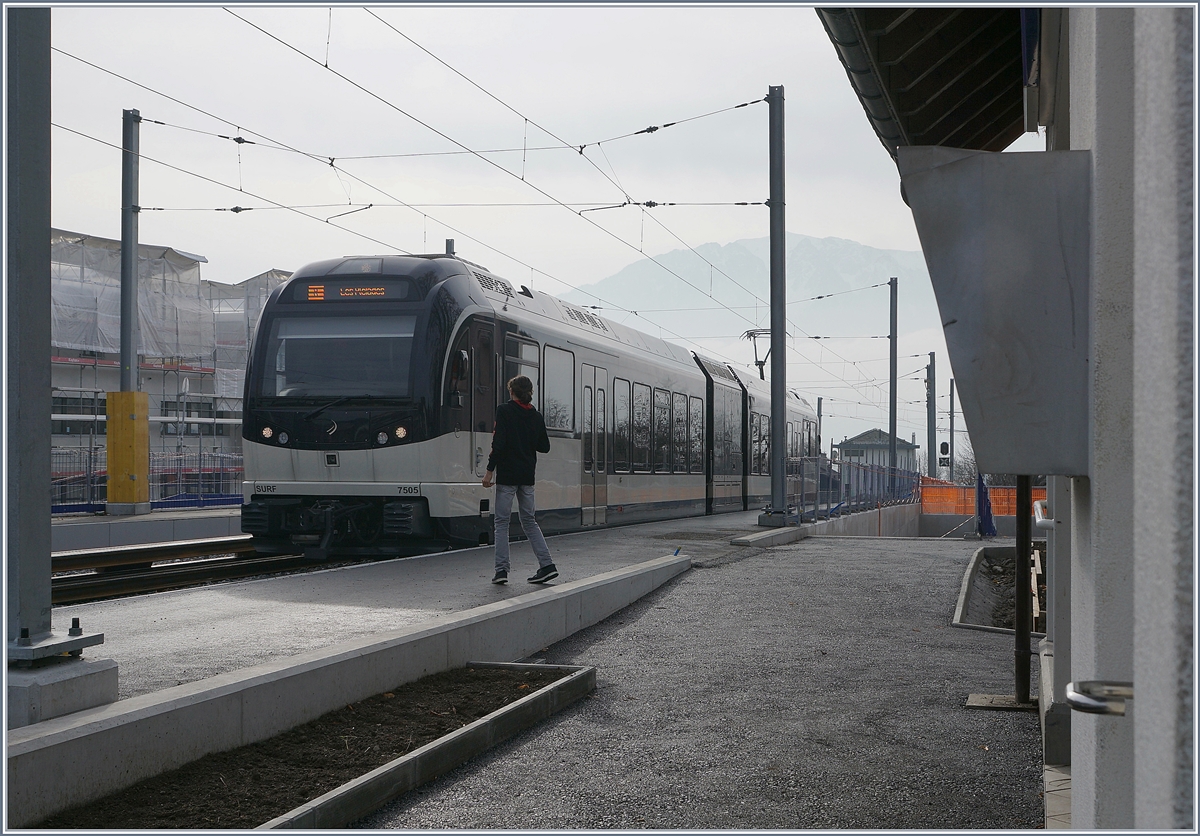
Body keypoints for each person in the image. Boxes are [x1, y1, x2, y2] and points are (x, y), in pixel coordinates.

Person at [482, 375, 557, 585]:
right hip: (527, 476)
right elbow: (544, 447)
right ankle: (547, 565)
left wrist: (489, 471)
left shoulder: (504, 411)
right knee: (529, 521)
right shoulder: (536, 416)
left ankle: (501, 571)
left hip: (507, 475)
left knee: (501, 522)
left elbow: (499, 443)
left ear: (512, 391)